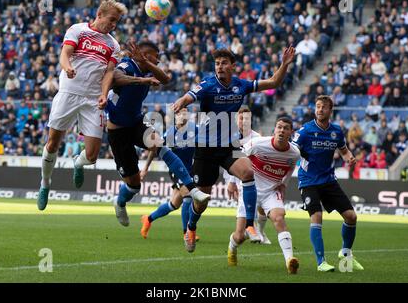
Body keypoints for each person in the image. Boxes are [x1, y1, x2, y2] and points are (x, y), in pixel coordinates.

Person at [172, 47, 295, 253]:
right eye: (217, 63)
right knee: (202, 200)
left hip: (230, 145)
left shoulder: (241, 85)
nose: (220, 66)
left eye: (224, 63)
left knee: (248, 173)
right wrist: (182, 101)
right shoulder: (209, 85)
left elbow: (274, 82)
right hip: (206, 148)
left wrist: (284, 65)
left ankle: (249, 224)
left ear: (232, 66)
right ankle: (191, 228)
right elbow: (190, 95)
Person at [106, 41, 210, 228]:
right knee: (133, 185)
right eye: (156, 56)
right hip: (117, 130)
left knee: (159, 144)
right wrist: (142, 80)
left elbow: (166, 79)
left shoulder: (148, 69)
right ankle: (120, 202)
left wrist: (147, 64)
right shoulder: (126, 66)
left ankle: (192, 190)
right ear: (146, 54)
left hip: (136, 123)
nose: (159, 60)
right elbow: (115, 78)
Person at [37, 0, 127, 211]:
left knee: (92, 155)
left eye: (117, 22)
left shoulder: (113, 44)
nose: (114, 25)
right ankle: (45, 183)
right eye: (112, 20)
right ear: (99, 14)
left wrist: (104, 94)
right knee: (52, 144)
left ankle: (78, 163)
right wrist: (67, 67)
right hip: (68, 93)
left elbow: (109, 73)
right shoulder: (77, 30)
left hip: (92, 99)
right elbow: (65, 54)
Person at [293, 95, 364, 272]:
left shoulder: (336, 131)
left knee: (351, 217)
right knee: (317, 217)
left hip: (328, 180)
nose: (320, 110)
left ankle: (345, 253)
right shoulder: (305, 131)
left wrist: (349, 158)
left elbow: (343, 150)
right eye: (317, 106)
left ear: (330, 111)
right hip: (308, 181)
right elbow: (291, 149)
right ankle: (321, 262)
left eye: (323, 107)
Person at [227, 117, 300, 274]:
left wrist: (284, 184)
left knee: (279, 217)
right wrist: (233, 181)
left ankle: (290, 260)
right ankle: (232, 247)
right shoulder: (258, 143)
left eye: (285, 128)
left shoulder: (294, 153)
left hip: (271, 192)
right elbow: (235, 155)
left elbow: (291, 167)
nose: (281, 130)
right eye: (279, 127)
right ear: (274, 129)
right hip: (249, 188)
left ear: (291, 133)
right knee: (240, 237)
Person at [139, 107, 199, 241]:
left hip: (190, 171)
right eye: (181, 112)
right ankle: (187, 233)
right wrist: (145, 168)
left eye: (186, 112)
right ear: (176, 116)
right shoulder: (169, 134)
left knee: (174, 204)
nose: (184, 114)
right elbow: (154, 149)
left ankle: (148, 219)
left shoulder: (195, 130)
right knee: (188, 196)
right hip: (176, 171)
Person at [224, 107, 268, 244]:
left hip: (254, 175)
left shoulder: (257, 138)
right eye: (242, 118)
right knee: (243, 201)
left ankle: (255, 228)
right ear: (237, 119)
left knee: (258, 206)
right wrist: (231, 181)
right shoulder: (232, 137)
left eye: (247, 118)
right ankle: (249, 227)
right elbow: (234, 158)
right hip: (235, 174)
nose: (244, 121)